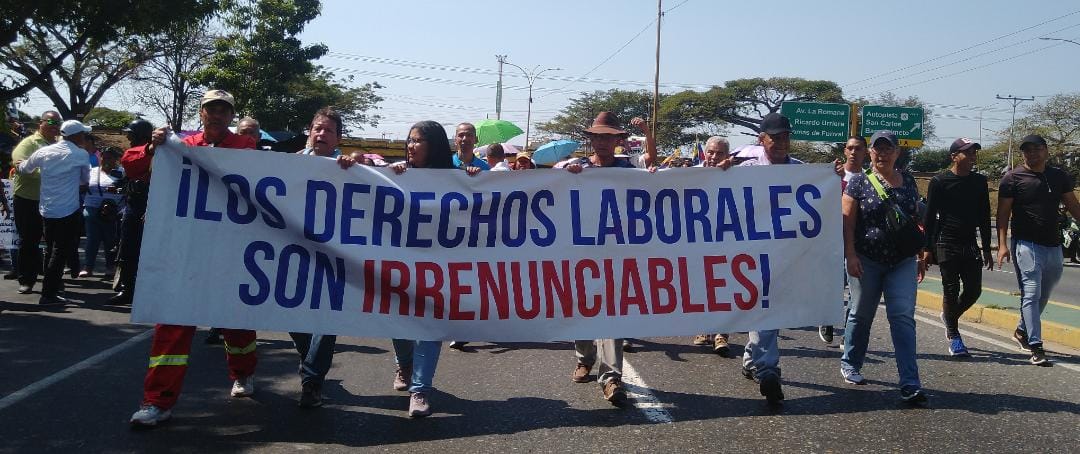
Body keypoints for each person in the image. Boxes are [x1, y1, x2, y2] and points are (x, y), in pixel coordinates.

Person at [129, 89, 259, 427]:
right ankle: (157, 402)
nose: (216, 115)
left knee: (237, 324)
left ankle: (243, 373)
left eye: (223, 110)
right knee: (171, 327)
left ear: (231, 116)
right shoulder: (180, 146)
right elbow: (132, 165)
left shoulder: (246, 148)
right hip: (185, 254)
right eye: (210, 109)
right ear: (200, 113)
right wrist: (153, 146)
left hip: (230, 255)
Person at [337, 120, 461, 418]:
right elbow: (362, 184)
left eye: (418, 140)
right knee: (399, 321)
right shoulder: (397, 174)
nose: (411, 145)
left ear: (434, 145)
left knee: (430, 327)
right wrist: (346, 167)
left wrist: (473, 178)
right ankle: (403, 364)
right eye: (409, 140)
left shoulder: (455, 179)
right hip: (400, 264)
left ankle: (420, 390)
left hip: (438, 268)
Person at [841, 130, 928, 404]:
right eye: (878, 149)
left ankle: (910, 382)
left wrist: (922, 252)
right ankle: (851, 362)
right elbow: (848, 222)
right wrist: (850, 256)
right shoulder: (858, 182)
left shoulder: (909, 182)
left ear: (897, 152)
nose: (883, 153)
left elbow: (915, 218)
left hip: (901, 261)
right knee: (860, 314)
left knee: (902, 318)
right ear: (871, 153)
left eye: (888, 149)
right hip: (867, 260)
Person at [558, 111, 637, 406]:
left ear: (618, 139)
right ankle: (584, 358)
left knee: (612, 312)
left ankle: (611, 377)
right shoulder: (574, 167)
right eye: (597, 137)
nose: (602, 142)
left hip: (617, 254)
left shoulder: (630, 170)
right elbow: (546, 182)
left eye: (608, 137)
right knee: (582, 308)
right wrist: (566, 173)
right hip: (580, 253)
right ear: (590, 140)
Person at [997, 134, 1080, 366]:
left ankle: (1022, 331)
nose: (1032, 154)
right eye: (1027, 150)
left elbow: (1073, 204)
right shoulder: (1012, 178)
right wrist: (1003, 244)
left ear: (1046, 151)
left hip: (1054, 245)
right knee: (1031, 293)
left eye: (1036, 149)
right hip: (1026, 243)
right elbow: (1003, 214)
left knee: (1045, 293)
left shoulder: (1058, 176)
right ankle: (1037, 346)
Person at [290, 107, 344, 408]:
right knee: (294, 315)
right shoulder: (288, 165)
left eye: (328, 130)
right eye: (317, 128)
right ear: (309, 132)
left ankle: (312, 380)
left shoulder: (348, 167)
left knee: (327, 317)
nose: (321, 134)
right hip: (294, 255)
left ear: (338, 139)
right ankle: (309, 360)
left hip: (334, 259)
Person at [923, 138, 992, 357]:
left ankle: (949, 316)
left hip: (970, 242)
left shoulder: (980, 181)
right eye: (967, 152)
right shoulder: (939, 181)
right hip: (946, 241)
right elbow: (930, 217)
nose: (972, 156)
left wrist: (987, 248)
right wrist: (927, 248)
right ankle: (954, 335)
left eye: (974, 152)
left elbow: (984, 215)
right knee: (950, 290)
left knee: (973, 290)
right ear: (954, 156)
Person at [13, 120, 91, 305]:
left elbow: (25, 168)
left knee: (51, 249)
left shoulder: (44, 151)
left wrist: (19, 163)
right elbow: (84, 180)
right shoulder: (81, 155)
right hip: (68, 209)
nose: (84, 137)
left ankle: (52, 287)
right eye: (83, 134)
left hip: (47, 210)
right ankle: (48, 293)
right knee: (59, 252)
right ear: (76, 136)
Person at [687, 136, 737, 356]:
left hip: (726, 238)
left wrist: (732, 166)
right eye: (711, 152)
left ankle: (721, 335)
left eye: (720, 153)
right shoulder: (690, 173)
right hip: (697, 239)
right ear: (704, 153)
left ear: (727, 155)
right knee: (700, 285)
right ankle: (701, 328)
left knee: (724, 285)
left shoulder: (736, 173)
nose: (714, 157)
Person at [819, 136, 869, 346]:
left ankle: (848, 333)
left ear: (866, 152)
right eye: (849, 148)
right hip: (832, 240)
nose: (853, 152)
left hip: (859, 243)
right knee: (833, 285)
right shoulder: (832, 175)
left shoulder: (870, 178)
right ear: (844, 151)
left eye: (858, 149)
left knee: (857, 292)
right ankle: (827, 319)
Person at [11, 111, 62, 294]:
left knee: (54, 243)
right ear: (41, 123)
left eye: (58, 122)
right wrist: (51, 174)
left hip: (52, 201)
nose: (55, 125)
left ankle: (53, 282)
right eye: (50, 121)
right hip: (28, 199)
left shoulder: (59, 145)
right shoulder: (29, 143)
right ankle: (27, 280)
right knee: (29, 241)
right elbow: (19, 165)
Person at [80, 146, 124, 278]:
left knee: (110, 240)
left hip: (112, 211)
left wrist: (117, 190)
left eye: (110, 157)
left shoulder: (122, 173)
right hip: (92, 209)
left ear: (116, 159)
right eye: (104, 156)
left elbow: (127, 190)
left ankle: (110, 267)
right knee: (92, 239)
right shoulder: (91, 171)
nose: (106, 159)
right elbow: (81, 186)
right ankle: (88, 267)